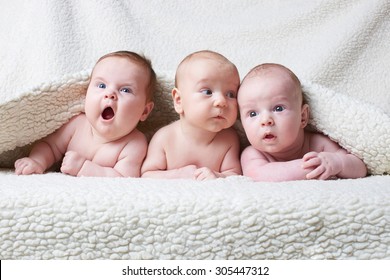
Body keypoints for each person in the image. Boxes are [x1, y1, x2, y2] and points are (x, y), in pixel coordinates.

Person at [14, 50, 156, 177]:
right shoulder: (77, 125)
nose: (110, 94)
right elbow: (50, 146)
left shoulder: (134, 144)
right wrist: (37, 161)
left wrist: (84, 168)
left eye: (125, 90)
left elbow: (124, 178)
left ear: (144, 111)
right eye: (102, 85)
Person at [238, 63, 367, 181]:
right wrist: (313, 166)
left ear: (303, 117)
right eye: (253, 113)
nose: (265, 121)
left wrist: (337, 162)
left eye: (278, 108)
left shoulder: (318, 144)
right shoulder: (252, 154)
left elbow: (360, 168)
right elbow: (259, 175)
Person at [141, 50, 242, 180]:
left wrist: (218, 176)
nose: (221, 101)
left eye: (230, 94)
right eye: (207, 91)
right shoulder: (164, 138)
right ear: (179, 100)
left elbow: (235, 176)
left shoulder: (229, 139)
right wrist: (177, 175)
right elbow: (147, 175)